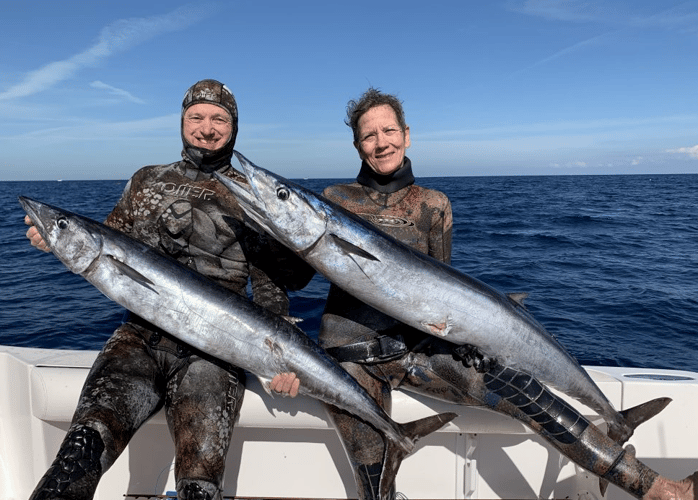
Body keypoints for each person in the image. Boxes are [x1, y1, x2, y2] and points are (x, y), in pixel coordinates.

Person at [313, 87, 697, 500]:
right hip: (351, 357)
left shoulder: (434, 205)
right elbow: (293, 272)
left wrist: (468, 341)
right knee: (374, 476)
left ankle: (660, 488)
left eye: (389, 130)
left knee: (530, 397)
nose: (381, 141)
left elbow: (445, 292)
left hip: (418, 352)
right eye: (369, 135)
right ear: (356, 145)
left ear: (407, 134)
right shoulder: (334, 201)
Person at [24, 79, 310, 500]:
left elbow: (269, 286)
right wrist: (57, 243)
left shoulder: (254, 196)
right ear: (181, 121)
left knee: (198, 485)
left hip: (214, 352)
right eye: (196, 116)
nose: (206, 127)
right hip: (137, 339)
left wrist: (278, 360)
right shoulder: (146, 180)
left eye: (219, 118)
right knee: (78, 458)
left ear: (234, 127)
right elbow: (105, 248)